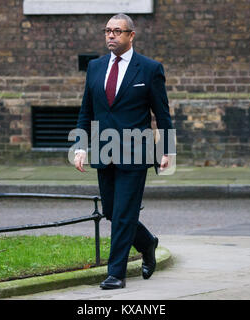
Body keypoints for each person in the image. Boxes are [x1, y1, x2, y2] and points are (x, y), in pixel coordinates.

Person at [73, 13, 176, 289]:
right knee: (110, 211)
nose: (110, 35)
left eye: (117, 31)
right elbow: (87, 111)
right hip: (104, 150)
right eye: (107, 30)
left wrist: (167, 150)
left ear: (131, 35)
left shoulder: (150, 69)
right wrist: (80, 146)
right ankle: (147, 243)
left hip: (136, 153)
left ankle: (115, 273)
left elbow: (162, 113)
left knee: (123, 215)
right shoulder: (95, 68)